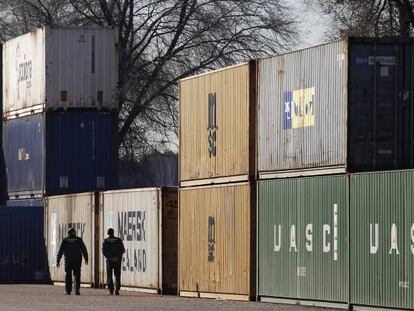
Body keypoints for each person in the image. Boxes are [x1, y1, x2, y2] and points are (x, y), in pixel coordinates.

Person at [56, 227, 88, 295]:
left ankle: (68, 291)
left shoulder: (65, 240)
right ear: (74, 232)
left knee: (68, 276)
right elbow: (83, 249)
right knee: (77, 275)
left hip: (68, 260)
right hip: (77, 260)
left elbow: (60, 251)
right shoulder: (79, 240)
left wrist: (58, 260)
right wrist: (86, 258)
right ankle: (77, 290)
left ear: (68, 233)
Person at [102, 228, 125, 295]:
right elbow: (122, 250)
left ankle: (110, 290)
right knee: (117, 275)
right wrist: (117, 257)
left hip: (109, 260)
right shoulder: (118, 240)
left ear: (108, 233)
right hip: (117, 260)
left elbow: (104, 251)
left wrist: (111, 258)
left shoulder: (106, 241)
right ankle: (117, 289)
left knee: (109, 275)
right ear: (113, 232)